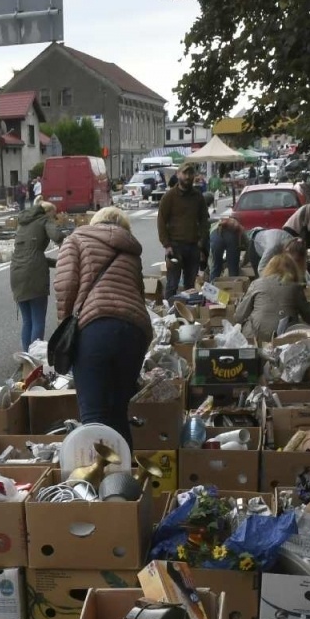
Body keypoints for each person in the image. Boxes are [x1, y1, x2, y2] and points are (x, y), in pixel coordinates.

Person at [54, 206, 148, 447]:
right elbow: (138, 292)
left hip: (96, 328)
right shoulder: (131, 250)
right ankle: (125, 480)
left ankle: (97, 482)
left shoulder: (75, 240)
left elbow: (65, 286)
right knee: (118, 411)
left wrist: (66, 325)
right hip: (135, 331)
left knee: (93, 415)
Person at [9, 198, 65, 351]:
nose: (54, 218)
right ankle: (35, 358)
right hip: (34, 275)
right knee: (38, 320)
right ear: (47, 212)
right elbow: (58, 236)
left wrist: (56, 263)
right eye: (53, 215)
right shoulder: (44, 219)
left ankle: (26, 356)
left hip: (16, 272)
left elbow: (31, 254)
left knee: (27, 320)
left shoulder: (23, 222)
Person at [232, 249, 310, 340]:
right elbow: (308, 314)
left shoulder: (256, 284)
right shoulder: (295, 287)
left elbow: (239, 316)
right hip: (286, 334)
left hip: (257, 335)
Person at [157, 162, 210, 297]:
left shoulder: (198, 197)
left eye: (190, 173)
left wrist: (201, 241)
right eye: (185, 173)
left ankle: (188, 312)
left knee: (190, 286)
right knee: (172, 284)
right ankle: (169, 313)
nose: (187, 176)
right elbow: (161, 221)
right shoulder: (169, 197)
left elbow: (204, 220)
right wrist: (166, 245)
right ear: (178, 174)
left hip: (193, 246)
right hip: (175, 246)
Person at [208, 212, 244, 280]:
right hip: (232, 238)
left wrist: (211, 267)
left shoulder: (213, 225)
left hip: (216, 237)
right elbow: (248, 245)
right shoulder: (238, 228)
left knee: (216, 266)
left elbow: (211, 257)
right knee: (233, 268)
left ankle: (212, 286)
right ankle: (234, 287)